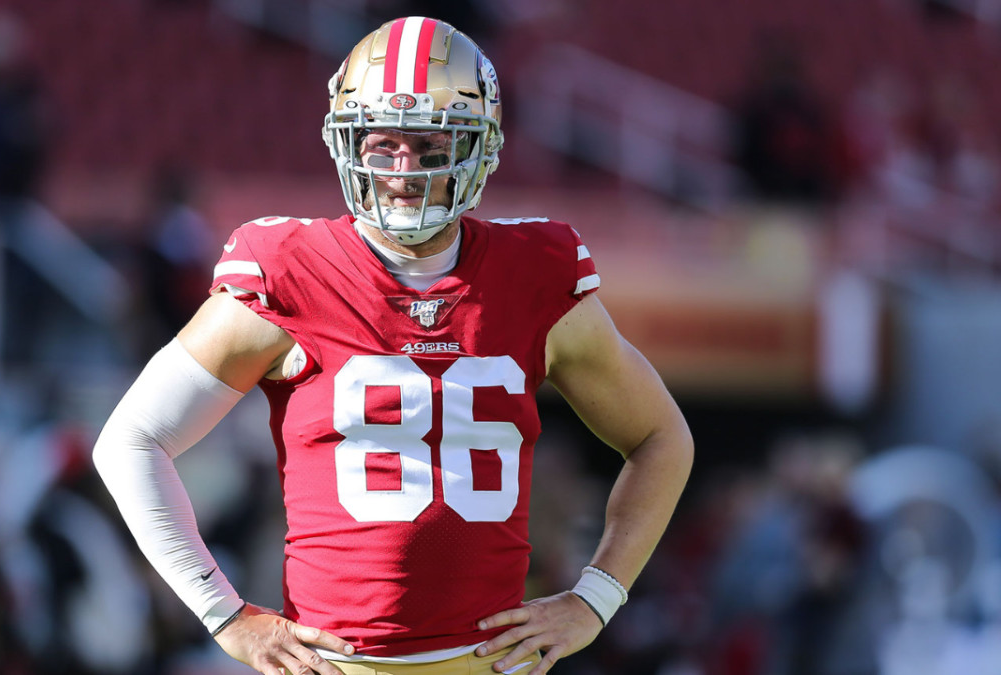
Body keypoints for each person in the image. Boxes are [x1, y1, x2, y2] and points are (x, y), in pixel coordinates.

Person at [93, 16, 692, 675]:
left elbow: (662, 438)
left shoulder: (537, 275)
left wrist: (595, 597)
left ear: (481, 147)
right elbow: (131, 441)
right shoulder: (288, 270)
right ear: (348, 145)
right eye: (382, 147)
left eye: (432, 148)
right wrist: (225, 614)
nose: (404, 172)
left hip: (488, 665)